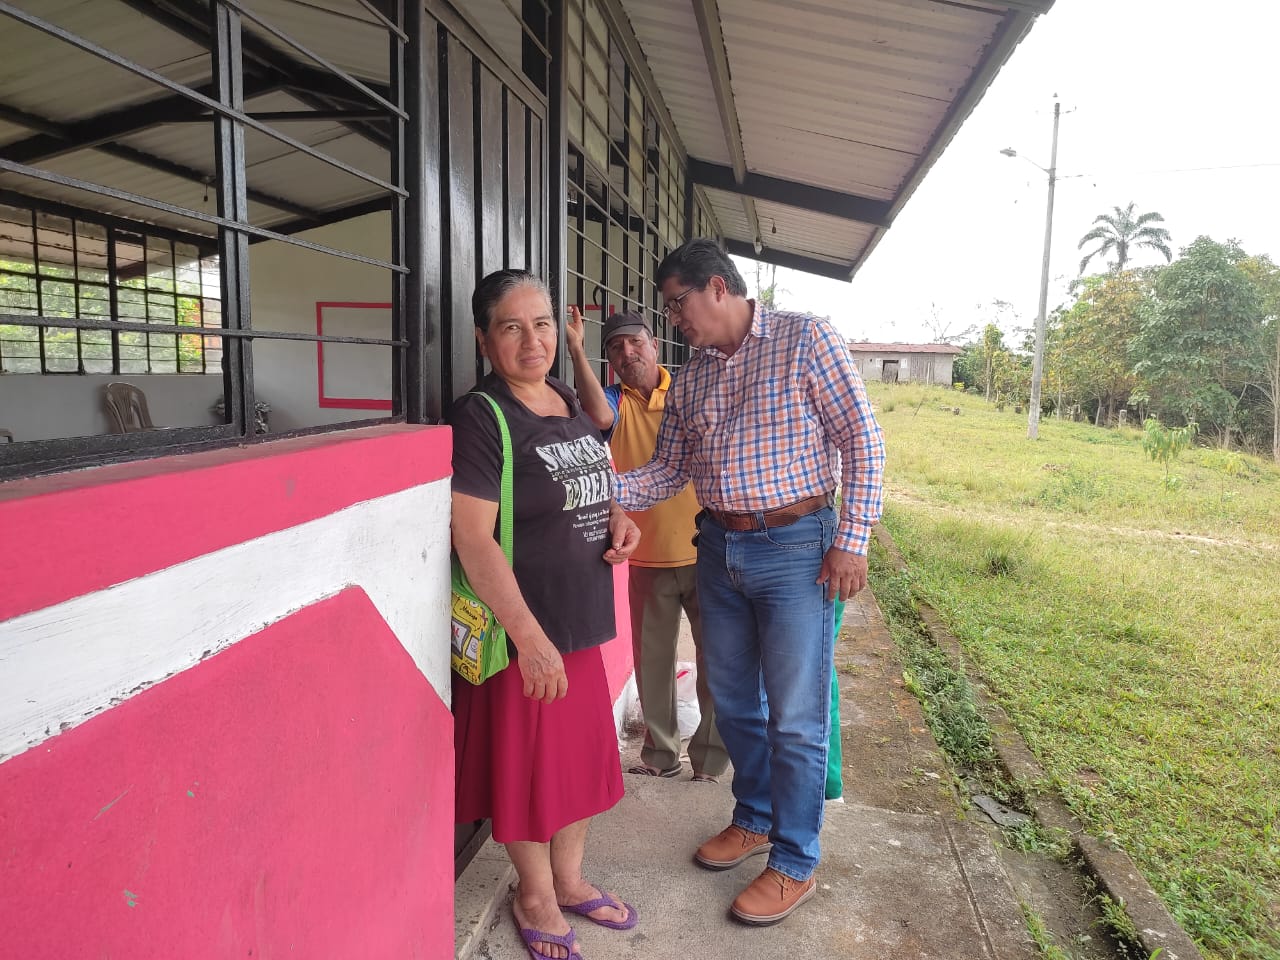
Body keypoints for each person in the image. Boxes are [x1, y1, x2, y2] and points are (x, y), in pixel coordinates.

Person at [614, 239, 885, 926]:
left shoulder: (805, 339)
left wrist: (852, 541)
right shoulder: (692, 378)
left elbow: (863, 440)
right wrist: (601, 492)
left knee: (795, 717)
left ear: (717, 286)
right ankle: (756, 817)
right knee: (735, 705)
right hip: (719, 549)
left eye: (677, 303)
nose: (674, 319)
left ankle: (795, 860)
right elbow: (667, 470)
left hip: (797, 549)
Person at [450, 269, 643, 960]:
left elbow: (589, 474)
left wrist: (617, 515)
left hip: (582, 619)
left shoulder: (562, 395)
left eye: (541, 325)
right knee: (529, 774)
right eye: (512, 327)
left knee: (579, 765)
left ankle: (568, 879)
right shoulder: (481, 416)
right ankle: (533, 893)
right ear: (484, 339)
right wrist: (528, 638)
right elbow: (472, 538)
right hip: (523, 633)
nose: (532, 341)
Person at [565, 307, 728, 784]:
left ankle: (711, 760)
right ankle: (660, 753)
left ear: (655, 344)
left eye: (635, 342)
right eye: (615, 347)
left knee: (718, 661)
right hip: (647, 556)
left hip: (707, 552)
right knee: (652, 662)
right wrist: (576, 349)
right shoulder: (613, 400)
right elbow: (598, 416)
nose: (627, 352)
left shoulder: (687, 391)